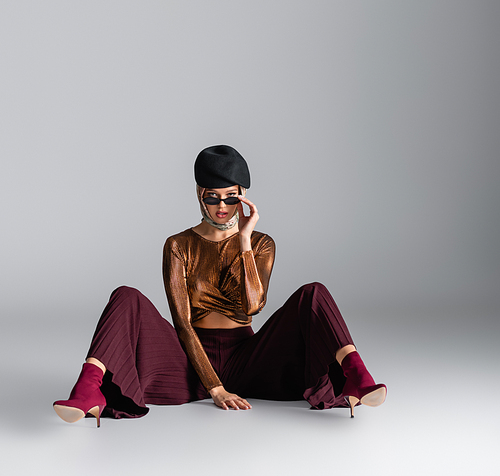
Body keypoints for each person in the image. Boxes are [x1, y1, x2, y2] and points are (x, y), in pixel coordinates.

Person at [53, 145, 386, 426]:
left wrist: (243, 240)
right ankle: (87, 388)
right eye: (214, 198)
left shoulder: (261, 243)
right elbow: (182, 324)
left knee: (314, 293)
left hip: (249, 359)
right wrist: (215, 387)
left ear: (243, 198)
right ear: (200, 195)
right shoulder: (178, 245)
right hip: (188, 361)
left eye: (232, 198)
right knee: (125, 295)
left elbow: (253, 306)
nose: (224, 207)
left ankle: (356, 375)